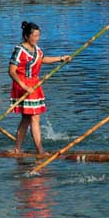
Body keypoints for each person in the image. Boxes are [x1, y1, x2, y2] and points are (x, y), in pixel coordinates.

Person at [8, 21, 71, 155]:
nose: (37, 38)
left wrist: (61, 58)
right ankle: (39, 150)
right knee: (34, 118)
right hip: (23, 85)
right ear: (26, 36)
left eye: (38, 35)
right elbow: (12, 71)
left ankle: (17, 149)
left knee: (27, 118)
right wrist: (24, 86)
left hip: (34, 85)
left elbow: (42, 59)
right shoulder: (19, 50)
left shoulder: (36, 49)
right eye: (34, 36)